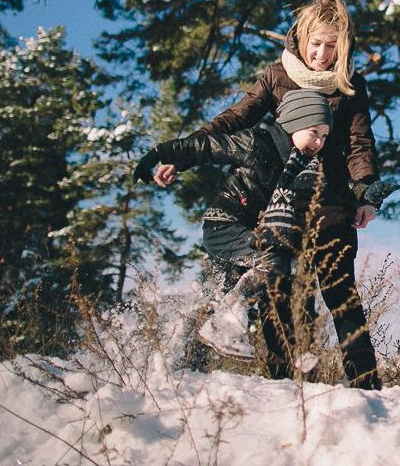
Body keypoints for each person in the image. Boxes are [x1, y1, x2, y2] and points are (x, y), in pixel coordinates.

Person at [151, 0, 387, 390]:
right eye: (316, 43)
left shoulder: (350, 84)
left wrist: (365, 195)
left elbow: (360, 143)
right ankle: (283, 382)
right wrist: (181, 154)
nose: (322, 54)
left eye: (332, 46)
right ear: (302, 37)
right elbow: (233, 120)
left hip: (331, 201)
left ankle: (367, 386)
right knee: (276, 286)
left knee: (340, 292)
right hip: (282, 198)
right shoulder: (277, 75)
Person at [136, 89, 337, 370]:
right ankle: (226, 324)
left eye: (324, 136)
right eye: (314, 132)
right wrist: (161, 154)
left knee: (225, 296)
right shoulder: (258, 144)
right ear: (294, 122)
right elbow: (209, 147)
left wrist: (363, 195)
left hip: (254, 236)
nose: (319, 142)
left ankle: (180, 360)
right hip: (225, 225)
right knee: (274, 262)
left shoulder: (305, 170)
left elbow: (333, 195)